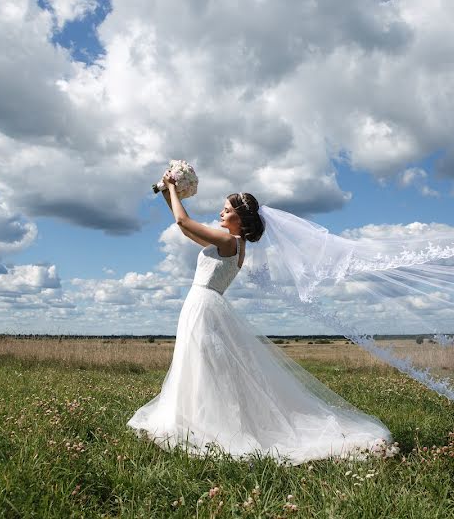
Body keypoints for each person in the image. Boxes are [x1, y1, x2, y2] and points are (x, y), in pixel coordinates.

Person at [126, 174, 397, 465]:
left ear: (240, 220)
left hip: (203, 305)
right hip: (203, 304)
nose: (221, 213)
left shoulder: (230, 241)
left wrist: (171, 188)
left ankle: (207, 426)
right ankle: (196, 418)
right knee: (199, 364)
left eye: (227, 210)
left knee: (203, 364)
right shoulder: (234, 244)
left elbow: (183, 223)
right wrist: (170, 194)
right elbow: (186, 229)